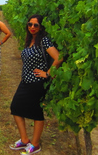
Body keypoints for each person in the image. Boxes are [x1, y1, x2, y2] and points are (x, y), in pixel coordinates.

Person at [9, 14, 62, 155]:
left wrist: (48, 73)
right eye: (30, 24)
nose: (32, 27)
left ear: (41, 27)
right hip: (25, 80)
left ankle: (36, 144)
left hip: (37, 82)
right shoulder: (30, 40)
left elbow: (58, 57)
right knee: (15, 107)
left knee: (36, 112)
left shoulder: (43, 41)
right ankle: (25, 140)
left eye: (36, 25)